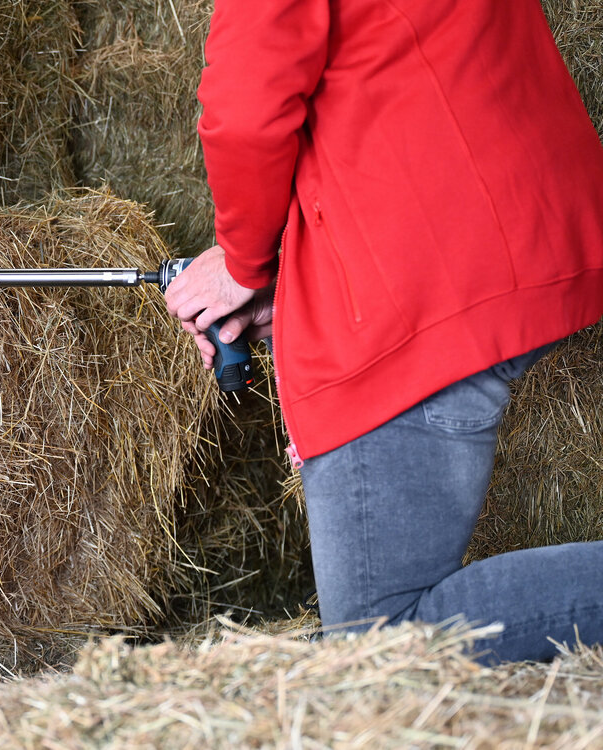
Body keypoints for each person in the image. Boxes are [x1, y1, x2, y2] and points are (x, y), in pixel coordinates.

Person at [165, 0, 603, 664]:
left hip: (425, 267)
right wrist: (298, 285)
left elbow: (248, 108)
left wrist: (241, 259)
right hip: (524, 212)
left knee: (380, 641)